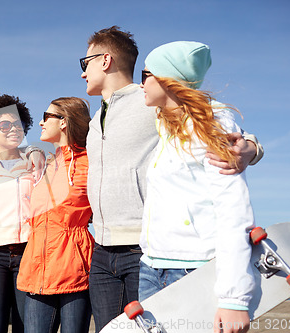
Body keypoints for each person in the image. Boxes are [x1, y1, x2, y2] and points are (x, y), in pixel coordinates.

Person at [80, 26, 264, 331]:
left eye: (146, 76)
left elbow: (233, 206)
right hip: (135, 257)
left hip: (173, 258)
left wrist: (250, 146)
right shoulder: (127, 118)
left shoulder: (159, 109)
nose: (83, 73)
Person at [138, 41, 255, 333]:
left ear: (168, 80)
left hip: (193, 271)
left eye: (145, 75)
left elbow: (233, 210)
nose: (140, 83)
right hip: (151, 268)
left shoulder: (211, 126)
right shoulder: (165, 124)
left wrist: (234, 298)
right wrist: (255, 145)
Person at [17, 97, 94, 333]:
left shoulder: (88, 162)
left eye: (46, 116)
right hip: (36, 269)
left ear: (64, 122)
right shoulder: (47, 164)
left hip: (74, 269)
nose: (41, 122)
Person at [0, 94, 42, 333]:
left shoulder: (38, 162)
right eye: (5, 124)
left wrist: (35, 150)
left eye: (17, 124)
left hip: (29, 252)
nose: (13, 128)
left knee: (28, 327)